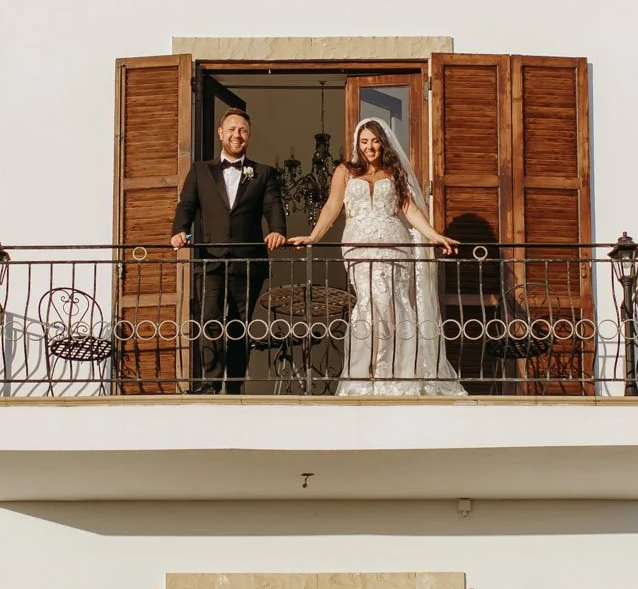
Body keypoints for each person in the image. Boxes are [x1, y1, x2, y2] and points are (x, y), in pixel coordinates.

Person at [290, 117, 465, 397]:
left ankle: (399, 375)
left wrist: (435, 235)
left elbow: (409, 210)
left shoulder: (394, 173)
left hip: (395, 245)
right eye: (363, 142)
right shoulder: (345, 172)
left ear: (382, 143)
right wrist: (313, 237)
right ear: (357, 145)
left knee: (396, 304)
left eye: (374, 141)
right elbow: (332, 206)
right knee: (370, 305)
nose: (369, 147)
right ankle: (366, 376)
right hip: (359, 247)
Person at [170, 108, 286, 394]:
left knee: (239, 324)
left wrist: (277, 230)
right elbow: (187, 204)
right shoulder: (200, 170)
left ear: (249, 136)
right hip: (210, 258)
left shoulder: (263, 173)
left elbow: (273, 206)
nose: (238, 135)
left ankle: (234, 384)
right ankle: (210, 381)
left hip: (248, 261)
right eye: (232, 129)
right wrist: (179, 230)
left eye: (243, 130)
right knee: (209, 317)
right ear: (221, 133)